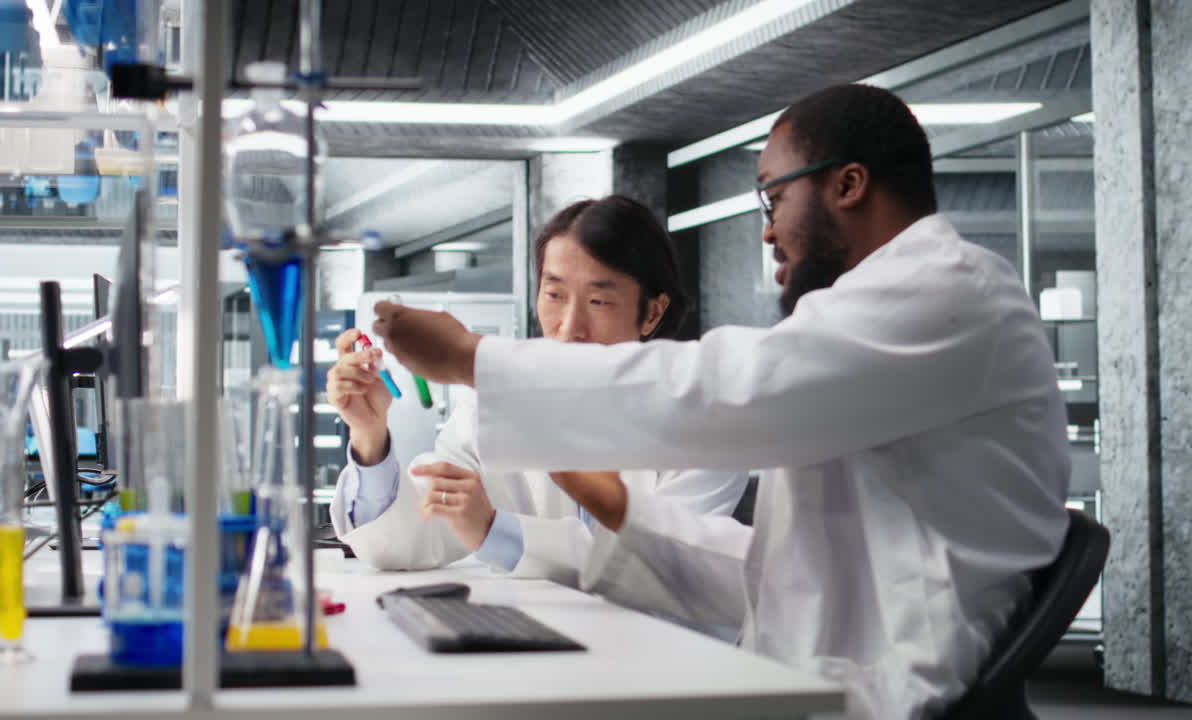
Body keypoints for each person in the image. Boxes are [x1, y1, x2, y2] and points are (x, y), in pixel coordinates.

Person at [369, 84, 1070, 720]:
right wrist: (619, 508)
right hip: (813, 676)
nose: (766, 230)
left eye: (774, 198)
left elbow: (735, 388)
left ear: (848, 185)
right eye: (554, 294)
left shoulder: (949, 289)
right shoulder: (870, 323)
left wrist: (472, 360)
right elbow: (771, 572)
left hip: (886, 700)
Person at [327, 195, 749, 604]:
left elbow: (666, 564)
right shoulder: (490, 407)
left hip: (673, 661)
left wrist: (497, 531)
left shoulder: (702, 418)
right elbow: (411, 540)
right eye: (555, 295)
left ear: (653, 313)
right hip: (544, 655)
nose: (569, 328)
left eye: (598, 301)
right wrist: (369, 436)